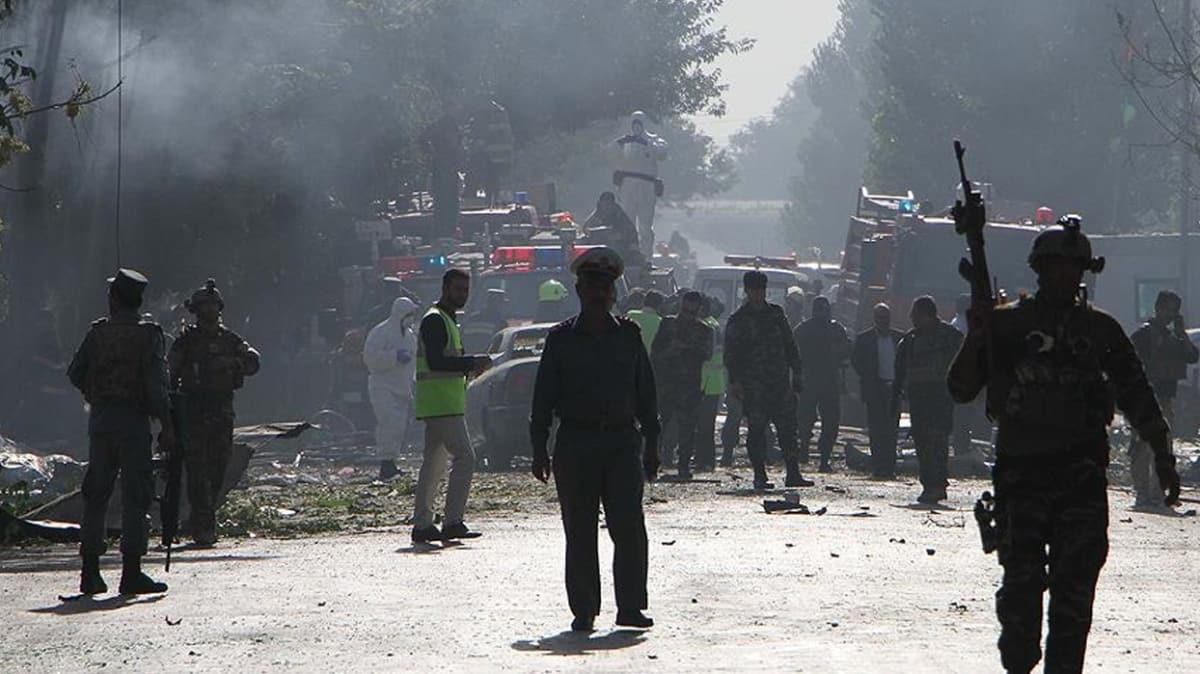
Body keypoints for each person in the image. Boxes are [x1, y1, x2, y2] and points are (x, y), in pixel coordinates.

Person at [948, 217, 1180, 674]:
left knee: (1073, 605)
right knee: (1020, 603)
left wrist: (1163, 454)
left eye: (1073, 268)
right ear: (1039, 269)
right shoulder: (1009, 324)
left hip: (1081, 480)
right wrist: (979, 333)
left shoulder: (1100, 331)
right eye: (1056, 267)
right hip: (1022, 478)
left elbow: (1137, 393)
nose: (1065, 276)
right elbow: (960, 387)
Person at [529, 246, 659, 632]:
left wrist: (652, 444)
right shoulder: (560, 340)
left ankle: (631, 608)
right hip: (576, 444)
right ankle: (584, 609)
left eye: (606, 285)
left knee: (629, 528)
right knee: (580, 530)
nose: (599, 292)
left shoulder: (629, 337)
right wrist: (539, 447)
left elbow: (646, 394)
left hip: (621, 444)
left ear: (614, 292)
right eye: (592, 285)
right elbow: (543, 399)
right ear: (579, 290)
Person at [67, 269, 173, 595]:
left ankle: (90, 572)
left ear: (114, 299)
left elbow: (75, 373)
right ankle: (131, 572)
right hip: (133, 422)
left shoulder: (97, 333)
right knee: (136, 494)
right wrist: (167, 425)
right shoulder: (149, 335)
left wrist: (96, 393)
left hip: (101, 421)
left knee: (96, 494)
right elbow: (156, 388)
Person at [168, 279, 261, 546]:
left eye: (212, 307)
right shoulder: (186, 342)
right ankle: (202, 523)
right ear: (196, 311)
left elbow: (254, 362)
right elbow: (170, 375)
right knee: (197, 471)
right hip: (193, 410)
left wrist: (231, 363)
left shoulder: (231, 340)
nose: (209, 312)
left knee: (218, 467)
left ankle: (203, 517)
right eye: (204, 307)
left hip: (221, 409)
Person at [411, 268, 493, 543]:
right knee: (466, 457)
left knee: (433, 464)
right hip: (442, 403)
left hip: (440, 402)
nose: (463, 295)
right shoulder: (436, 320)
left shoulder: (445, 319)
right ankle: (452, 521)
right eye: (458, 290)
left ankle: (423, 524)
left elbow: (443, 363)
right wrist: (471, 363)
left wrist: (468, 368)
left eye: (466, 290)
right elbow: (436, 362)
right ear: (445, 289)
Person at [725, 271, 812, 489]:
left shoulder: (775, 314)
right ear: (747, 291)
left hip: (779, 383)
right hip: (754, 386)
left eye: (762, 290)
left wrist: (797, 372)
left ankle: (793, 473)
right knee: (756, 431)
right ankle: (760, 475)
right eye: (754, 290)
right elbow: (732, 354)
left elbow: (790, 345)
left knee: (788, 430)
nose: (758, 294)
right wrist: (735, 381)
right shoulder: (739, 320)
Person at [1129, 289, 1198, 511]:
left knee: (1163, 448)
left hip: (1166, 397)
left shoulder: (1174, 338)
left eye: (1174, 311)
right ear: (1158, 308)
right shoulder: (1144, 335)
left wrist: (1181, 333)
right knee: (1142, 446)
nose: (1170, 315)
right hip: (1145, 396)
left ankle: (1157, 494)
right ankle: (1142, 493)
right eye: (1167, 310)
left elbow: (1192, 356)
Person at [894, 296, 962, 504]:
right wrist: (897, 393)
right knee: (923, 442)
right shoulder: (911, 339)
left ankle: (938, 484)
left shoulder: (950, 336)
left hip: (940, 397)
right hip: (919, 399)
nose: (911, 318)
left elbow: (963, 361)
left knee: (938, 442)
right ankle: (930, 485)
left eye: (915, 314)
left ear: (926, 315)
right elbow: (900, 369)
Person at [651, 290, 713, 479]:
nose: (688, 314)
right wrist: (671, 350)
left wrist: (688, 348)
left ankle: (684, 465)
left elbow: (706, 354)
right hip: (667, 383)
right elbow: (655, 353)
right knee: (660, 426)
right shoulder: (668, 324)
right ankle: (652, 463)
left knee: (687, 428)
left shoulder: (703, 330)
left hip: (689, 385)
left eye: (692, 311)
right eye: (686, 309)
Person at [363, 297, 420, 481]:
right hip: (382, 387)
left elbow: (414, 363)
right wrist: (394, 357)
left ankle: (391, 462)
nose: (412, 317)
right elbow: (370, 359)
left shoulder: (410, 336)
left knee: (398, 427)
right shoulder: (380, 333)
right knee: (388, 423)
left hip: (401, 388)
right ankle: (385, 464)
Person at [793, 296, 851, 473]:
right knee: (817, 420)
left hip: (819, 379)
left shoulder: (806, 329)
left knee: (815, 420)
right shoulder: (832, 329)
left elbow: (846, 352)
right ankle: (815, 454)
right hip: (818, 379)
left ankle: (813, 453)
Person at [851, 303, 903, 478]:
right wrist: (870, 378)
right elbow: (856, 362)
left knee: (891, 430)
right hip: (875, 389)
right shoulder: (864, 339)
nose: (884, 321)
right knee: (876, 430)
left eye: (886, 318)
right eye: (880, 318)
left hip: (894, 389)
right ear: (874, 319)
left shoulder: (899, 338)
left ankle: (890, 468)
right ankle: (879, 467)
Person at [612, 111, 668, 259]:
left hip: (646, 187)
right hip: (627, 187)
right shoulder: (625, 141)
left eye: (639, 122)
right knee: (627, 225)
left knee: (645, 227)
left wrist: (646, 143)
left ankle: (646, 257)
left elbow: (662, 153)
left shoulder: (655, 140)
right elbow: (609, 153)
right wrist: (620, 142)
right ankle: (629, 256)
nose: (637, 125)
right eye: (634, 122)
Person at [950, 293, 986, 456]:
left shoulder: (957, 323)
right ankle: (963, 447)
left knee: (963, 415)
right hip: (970, 374)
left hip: (964, 374)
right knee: (966, 414)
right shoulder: (963, 324)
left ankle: (963, 446)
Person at [696, 296, 726, 471]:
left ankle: (704, 461)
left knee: (703, 426)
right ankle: (707, 460)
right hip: (714, 382)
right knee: (707, 426)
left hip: (704, 381)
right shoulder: (715, 325)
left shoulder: (705, 326)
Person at [583, 191, 639, 259]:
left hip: (618, 245)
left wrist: (617, 236)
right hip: (599, 244)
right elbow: (585, 227)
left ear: (613, 204)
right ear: (600, 204)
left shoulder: (619, 215)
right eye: (604, 204)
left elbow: (631, 232)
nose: (606, 207)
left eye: (609, 204)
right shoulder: (598, 212)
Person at [463, 288, 508, 352]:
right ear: (498, 304)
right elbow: (501, 346)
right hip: (486, 357)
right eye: (501, 304)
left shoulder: (472, 318)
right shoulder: (501, 323)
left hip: (469, 354)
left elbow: (463, 338)